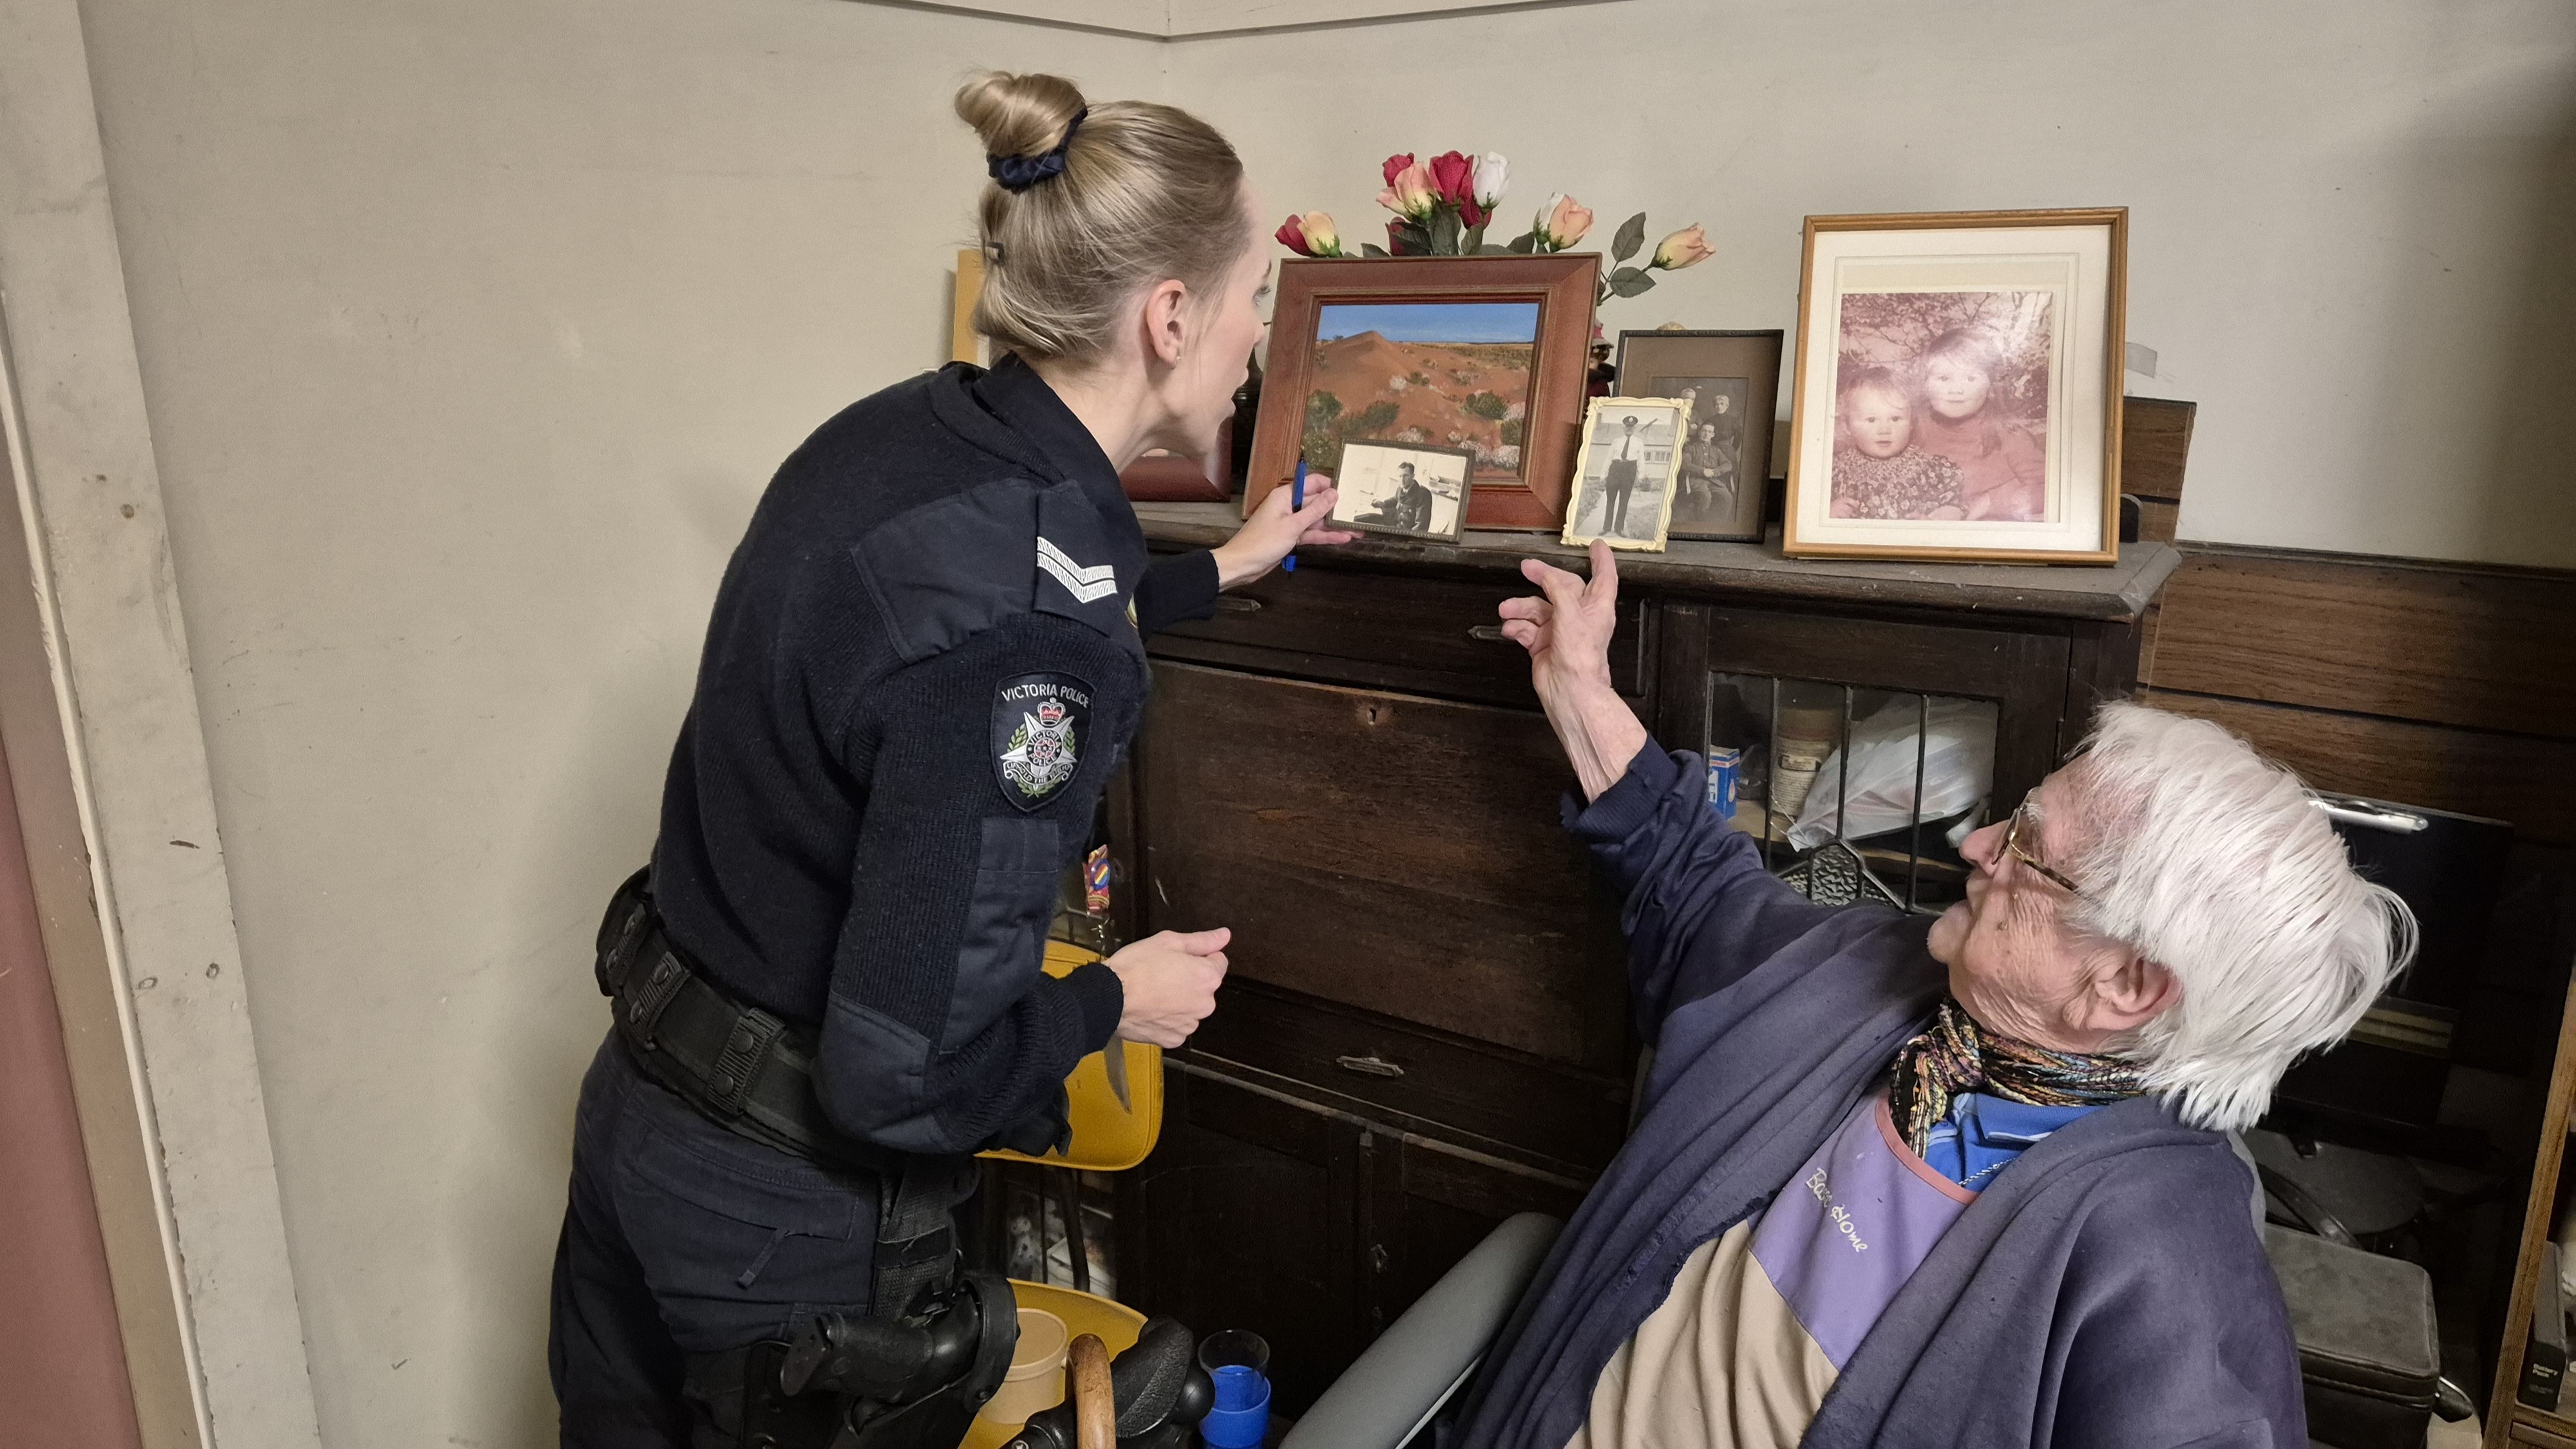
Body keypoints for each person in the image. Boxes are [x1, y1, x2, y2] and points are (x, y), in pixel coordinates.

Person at [547, 70, 1354, 1449]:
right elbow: (901, 1082)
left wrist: (1218, 568)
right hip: (779, 1221)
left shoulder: (904, 439)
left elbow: (940, 640)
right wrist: (1114, 1001)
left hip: (645, 1114)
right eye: (1248, 311)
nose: (1251, 347)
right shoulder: (1029, 635)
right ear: (1167, 317)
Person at [1457, 542, 2415, 1449]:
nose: (1974, 844)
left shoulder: (2169, 1267)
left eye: (2025, 847)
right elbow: (1698, 883)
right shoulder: (1881, 978)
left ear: (2124, 982)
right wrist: (1580, 685)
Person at [1913, 327, 2046, 522]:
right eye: (1944, 379)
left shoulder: (2008, 436)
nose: (1956, 390)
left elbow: (2053, 490)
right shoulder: (1914, 430)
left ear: (1990, 387)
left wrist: (1990, 502)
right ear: (1925, 385)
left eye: (1970, 378)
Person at [1828, 367, 1964, 520]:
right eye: (1872, 420)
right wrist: (1828, 513)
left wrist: (1931, 523)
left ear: (1911, 423)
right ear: (1847, 427)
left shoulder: (1930, 470)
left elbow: (1953, 511)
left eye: (1895, 419)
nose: (1885, 430)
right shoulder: (1834, 470)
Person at [1676, 421, 1734, 527]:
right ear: (1699, 432)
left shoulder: (1716, 450)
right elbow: (1685, 464)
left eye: (1709, 432)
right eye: (1704, 431)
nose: (1706, 434)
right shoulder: (1691, 448)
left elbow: (1728, 464)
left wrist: (1716, 471)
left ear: (1713, 435)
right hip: (1696, 481)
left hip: (1714, 481)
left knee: (1727, 497)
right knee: (1706, 496)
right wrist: (1702, 471)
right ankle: (1701, 526)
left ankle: (1720, 526)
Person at [1598, 415, 1645, 535]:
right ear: (1623, 427)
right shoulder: (1616, 442)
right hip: (1615, 470)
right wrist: (1603, 475)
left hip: (1629, 471)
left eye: (1631, 427)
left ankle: (1619, 528)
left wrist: (1640, 477)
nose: (1629, 428)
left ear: (1635, 428)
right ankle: (1606, 527)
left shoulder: (1639, 443)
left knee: (1624, 502)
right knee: (1610, 501)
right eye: (1627, 426)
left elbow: (1641, 461)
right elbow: (1608, 459)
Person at [1361, 460, 1434, 533]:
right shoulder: (1401, 488)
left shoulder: (1423, 494)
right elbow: (1396, 499)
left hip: (1405, 533)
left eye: (1406, 476)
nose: (1402, 480)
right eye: (1400, 476)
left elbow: (1421, 526)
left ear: (1413, 476)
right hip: (1395, 525)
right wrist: (1383, 503)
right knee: (1366, 519)